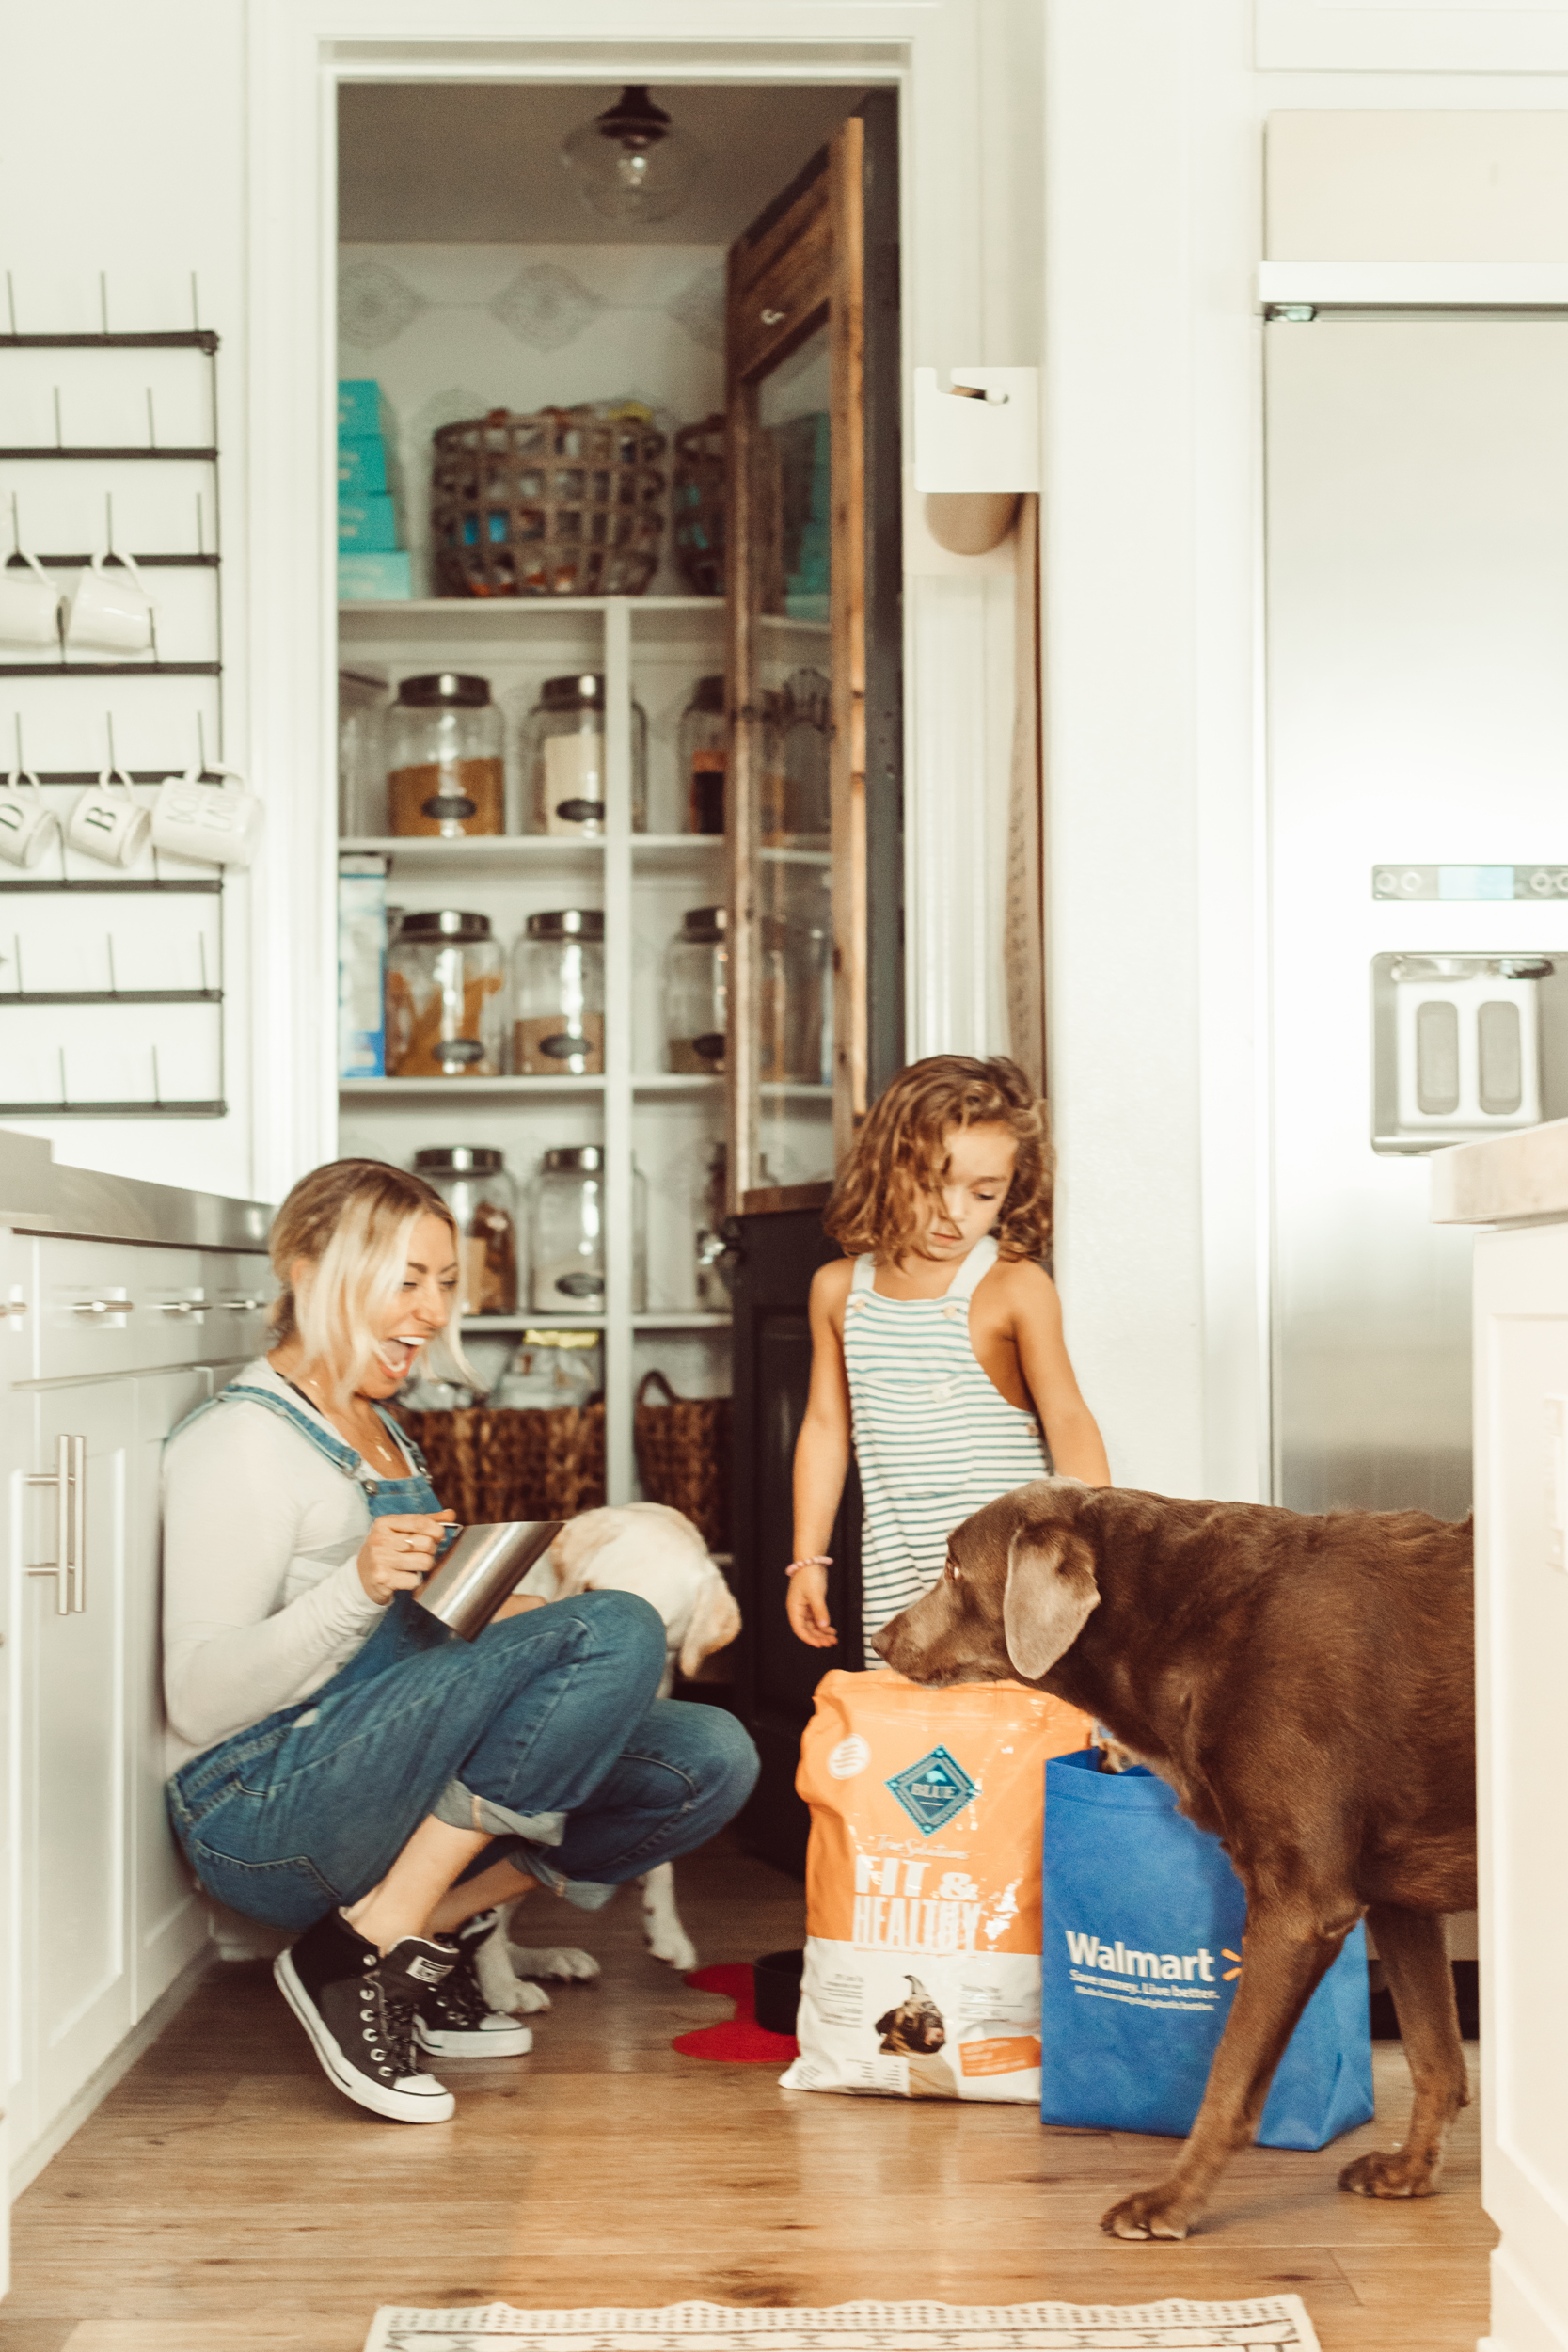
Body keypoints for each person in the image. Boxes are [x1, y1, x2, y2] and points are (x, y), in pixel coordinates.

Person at [162, 1158, 756, 2126]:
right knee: (619, 1626)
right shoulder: (240, 1445)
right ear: (307, 1269)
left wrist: (529, 1631)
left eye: (445, 1281)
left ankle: (418, 1929)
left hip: (369, 1778)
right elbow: (195, 1699)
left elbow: (415, 1640)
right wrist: (357, 1587)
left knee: (707, 1758)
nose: (435, 1311)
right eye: (406, 1279)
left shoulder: (385, 1431)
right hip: (259, 1809)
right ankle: (365, 1946)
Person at [786, 1055, 1110, 1665]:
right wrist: (807, 1558)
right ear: (886, 1168)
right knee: (909, 1742)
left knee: (1011, 1737)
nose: (954, 1212)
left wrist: (1098, 1556)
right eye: (933, 1184)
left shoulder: (1013, 1288)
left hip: (1010, 1588)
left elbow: (1067, 1418)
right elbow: (826, 1429)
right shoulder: (837, 1291)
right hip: (896, 1578)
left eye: (983, 1193)